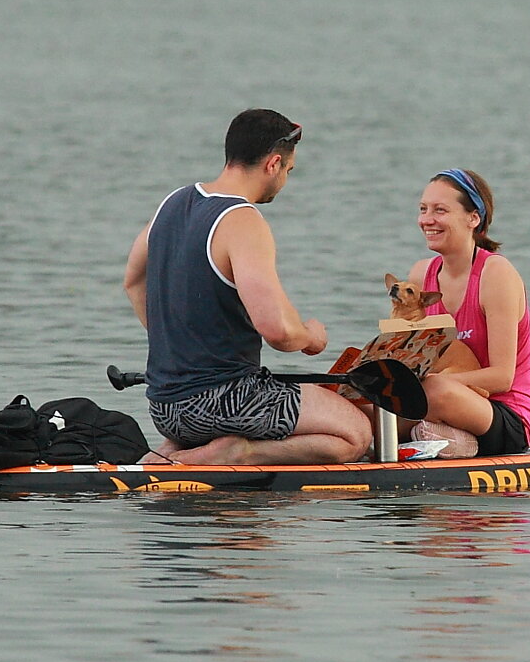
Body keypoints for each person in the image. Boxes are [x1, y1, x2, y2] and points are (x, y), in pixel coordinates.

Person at [123, 109, 372, 465]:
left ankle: (173, 452)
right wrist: (311, 337)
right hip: (226, 403)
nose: (285, 179)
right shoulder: (242, 220)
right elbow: (278, 333)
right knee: (353, 433)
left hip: (164, 406)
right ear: (273, 164)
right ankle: (236, 451)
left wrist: (180, 341)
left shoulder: (173, 202)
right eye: (288, 170)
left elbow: (133, 281)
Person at [404, 168, 530, 457]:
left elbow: (502, 377)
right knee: (360, 399)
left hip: (503, 412)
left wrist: (427, 386)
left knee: (435, 391)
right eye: (423, 209)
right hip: (434, 397)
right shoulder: (419, 274)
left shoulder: (496, 274)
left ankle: (435, 437)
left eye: (440, 210)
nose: (427, 220)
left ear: (473, 219)